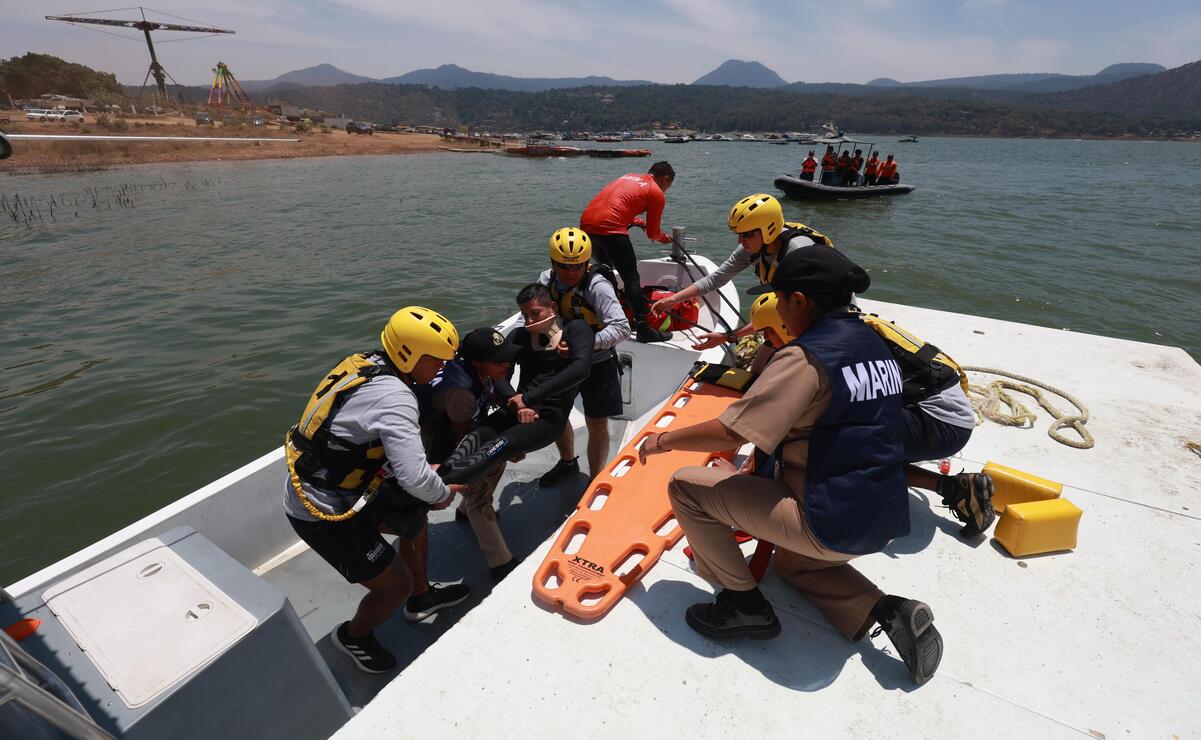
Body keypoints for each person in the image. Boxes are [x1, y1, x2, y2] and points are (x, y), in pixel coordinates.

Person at [639, 246, 944, 687]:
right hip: (884, 518)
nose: (777, 311)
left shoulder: (806, 357)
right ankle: (887, 609)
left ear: (800, 301)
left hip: (827, 520)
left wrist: (663, 440)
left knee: (687, 487)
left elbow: (731, 433)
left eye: (780, 300)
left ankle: (742, 604)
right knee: (793, 566)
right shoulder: (875, 344)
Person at [282, 306, 469, 674]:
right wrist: (442, 492)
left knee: (414, 519)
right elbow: (416, 479)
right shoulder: (396, 398)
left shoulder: (362, 362)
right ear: (411, 356)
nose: (443, 368)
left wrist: (420, 480)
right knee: (392, 586)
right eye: (437, 361)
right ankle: (355, 634)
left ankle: (421, 598)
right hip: (324, 510)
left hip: (343, 485)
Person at [752, 293, 994, 535]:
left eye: (768, 333)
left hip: (939, 424)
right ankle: (956, 487)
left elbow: (786, 413)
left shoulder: (833, 348)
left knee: (827, 435)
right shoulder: (846, 326)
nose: (766, 340)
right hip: (944, 416)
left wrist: (756, 477)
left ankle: (953, 489)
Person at [439, 283, 595, 488]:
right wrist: (518, 403)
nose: (529, 321)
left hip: (550, 417)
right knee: (478, 434)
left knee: (502, 444)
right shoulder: (520, 337)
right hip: (517, 408)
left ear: (553, 308)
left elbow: (580, 370)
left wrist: (529, 399)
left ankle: (439, 488)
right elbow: (500, 375)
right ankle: (438, 478)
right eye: (524, 314)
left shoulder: (576, 330)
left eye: (535, 313)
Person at [652, 194, 827, 355]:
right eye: (739, 235)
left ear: (768, 229)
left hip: (815, 320)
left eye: (746, 235)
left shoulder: (798, 253)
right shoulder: (750, 248)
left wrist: (728, 336)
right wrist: (674, 300)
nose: (740, 241)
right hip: (786, 314)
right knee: (759, 364)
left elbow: (805, 310)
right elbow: (716, 278)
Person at [418, 327, 523, 582]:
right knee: (477, 491)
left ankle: (465, 511)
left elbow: (495, 382)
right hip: (440, 444)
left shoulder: (474, 368)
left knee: (496, 461)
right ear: (477, 362)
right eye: (499, 361)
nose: (506, 365)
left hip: (461, 429)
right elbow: (463, 442)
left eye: (506, 358)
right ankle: (500, 563)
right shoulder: (462, 393)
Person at [535, 227, 631, 486]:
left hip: (597, 363)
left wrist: (585, 347)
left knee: (597, 423)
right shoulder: (545, 281)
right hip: (560, 360)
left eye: (577, 266)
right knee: (557, 415)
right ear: (552, 263)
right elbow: (539, 316)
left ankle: (595, 479)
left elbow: (621, 327)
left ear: (587, 263)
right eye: (563, 266)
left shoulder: (597, 287)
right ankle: (567, 462)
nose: (570, 272)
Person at [579, 161, 676, 343]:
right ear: (666, 179)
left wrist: (638, 222)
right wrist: (663, 238)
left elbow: (616, 203)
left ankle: (606, 318)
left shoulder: (629, 177)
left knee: (606, 273)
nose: (665, 191)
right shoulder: (655, 191)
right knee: (631, 278)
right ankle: (643, 329)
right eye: (667, 187)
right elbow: (653, 234)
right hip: (611, 227)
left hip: (587, 225)